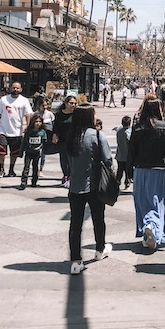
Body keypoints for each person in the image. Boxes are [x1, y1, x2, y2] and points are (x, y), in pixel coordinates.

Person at [66, 104, 113, 275]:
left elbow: (67, 163)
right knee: (98, 219)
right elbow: (108, 160)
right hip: (94, 186)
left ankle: (76, 260)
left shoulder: (71, 136)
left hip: (75, 186)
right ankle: (100, 249)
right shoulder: (98, 135)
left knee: (75, 224)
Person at [128, 96, 165, 251]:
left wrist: (129, 171)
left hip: (140, 170)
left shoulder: (137, 127)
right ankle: (153, 228)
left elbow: (131, 151)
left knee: (143, 202)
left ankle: (147, 229)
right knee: (158, 202)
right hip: (159, 171)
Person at [0, 82, 33, 178]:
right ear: (10, 88)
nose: (15, 90)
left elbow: (28, 114)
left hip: (17, 131)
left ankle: (11, 170)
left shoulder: (24, 101)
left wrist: (28, 126)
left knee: (14, 153)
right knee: (1, 152)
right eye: (14, 88)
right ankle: (1, 169)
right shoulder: (4, 100)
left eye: (17, 88)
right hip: (3, 130)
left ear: (21, 89)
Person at [53, 95, 77, 187]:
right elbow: (56, 126)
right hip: (62, 140)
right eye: (71, 103)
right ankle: (66, 175)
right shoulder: (59, 114)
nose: (73, 105)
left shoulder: (76, 114)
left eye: (75, 103)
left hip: (74, 140)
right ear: (66, 103)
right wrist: (55, 134)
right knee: (64, 159)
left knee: (72, 159)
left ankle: (71, 177)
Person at [18, 115, 47, 190]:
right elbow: (24, 142)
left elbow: (44, 142)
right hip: (28, 152)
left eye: (40, 122)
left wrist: (44, 150)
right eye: (36, 121)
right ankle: (23, 182)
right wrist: (21, 152)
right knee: (26, 167)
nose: (38, 123)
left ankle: (34, 181)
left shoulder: (42, 132)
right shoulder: (29, 131)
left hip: (37, 152)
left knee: (35, 167)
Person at [115, 116, 132, 189]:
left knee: (120, 170)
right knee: (127, 170)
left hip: (119, 154)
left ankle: (117, 182)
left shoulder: (119, 130)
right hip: (127, 155)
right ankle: (127, 182)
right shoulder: (128, 132)